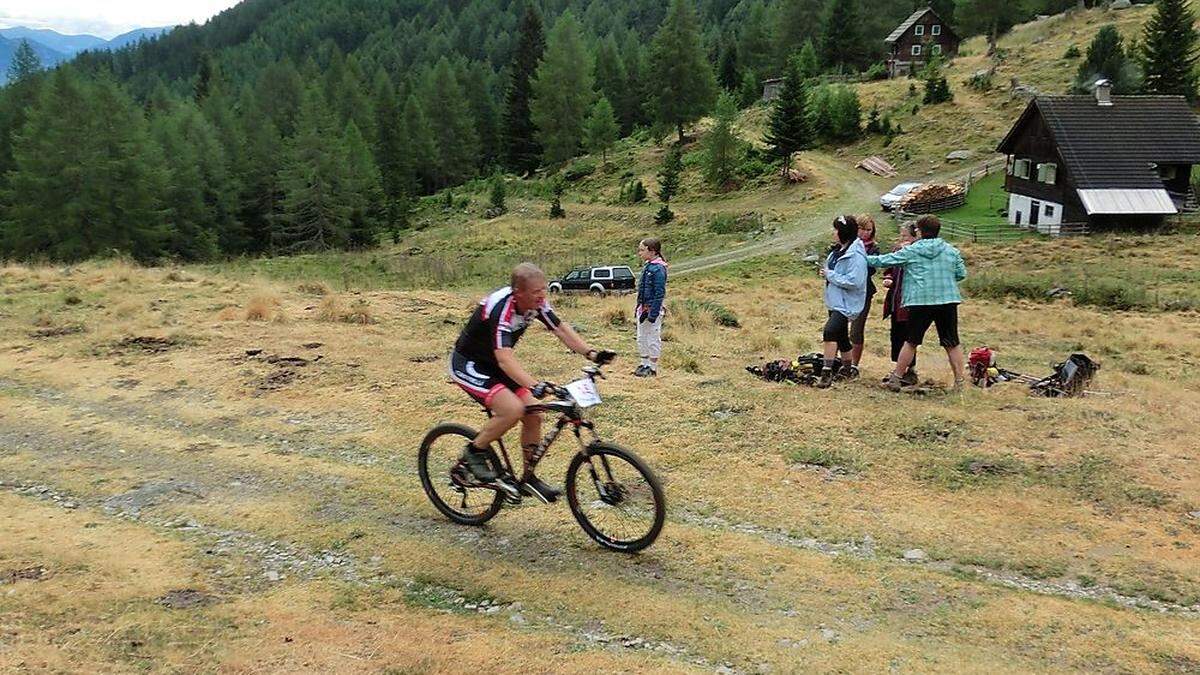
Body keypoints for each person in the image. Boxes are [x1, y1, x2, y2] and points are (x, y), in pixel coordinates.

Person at [449, 263, 615, 502]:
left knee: (534, 414)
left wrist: (591, 353)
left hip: (496, 362)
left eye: (544, 290)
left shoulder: (536, 304)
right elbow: (505, 360)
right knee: (512, 410)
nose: (542, 296)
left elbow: (559, 328)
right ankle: (474, 451)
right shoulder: (501, 308)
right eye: (536, 291)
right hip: (469, 364)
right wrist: (534, 384)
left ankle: (529, 478)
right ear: (518, 292)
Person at [866, 215, 967, 391]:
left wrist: (862, 257)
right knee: (952, 342)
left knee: (911, 341)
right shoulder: (950, 250)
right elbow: (961, 273)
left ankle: (896, 377)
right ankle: (960, 382)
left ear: (919, 231)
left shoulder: (912, 250)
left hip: (921, 300)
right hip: (947, 300)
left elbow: (885, 261)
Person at [816, 215, 868, 388]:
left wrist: (830, 275)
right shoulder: (839, 250)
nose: (833, 233)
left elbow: (855, 281)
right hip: (835, 300)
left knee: (829, 332)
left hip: (847, 303)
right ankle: (847, 370)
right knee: (842, 337)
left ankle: (826, 373)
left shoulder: (856, 255)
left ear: (843, 232)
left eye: (836, 229)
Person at [881, 221, 919, 386]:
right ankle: (899, 369)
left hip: (910, 302)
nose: (901, 238)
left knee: (908, 337)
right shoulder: (897, 250)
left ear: (914, 236)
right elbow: (889, 267)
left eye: (905, 236)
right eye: (901, 235)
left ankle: (909, 371)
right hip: (895, 301)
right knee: (895, 335)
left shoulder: (917, 253)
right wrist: (889, 277)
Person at [847, 214, 881, 377]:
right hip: (844, 291)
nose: (865, 233)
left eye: (869, 230)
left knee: (856, 330)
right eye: (862, 229)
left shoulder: (874, 247)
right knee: (838, 327)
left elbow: (871, 269)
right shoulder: (846, 243)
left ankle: (854, 364)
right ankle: (842, 360)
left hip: (864, 291)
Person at [634, 238, 668, 377]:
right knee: (642, 337)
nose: (639, 253)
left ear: (652, 251)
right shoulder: (648, 266)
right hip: (642, 308)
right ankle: (644, 364)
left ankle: (653, 367)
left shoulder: (659, 269)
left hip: (651, 308)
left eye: (642, 250)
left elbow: (659, 293)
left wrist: (653, 313)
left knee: (652, 337)